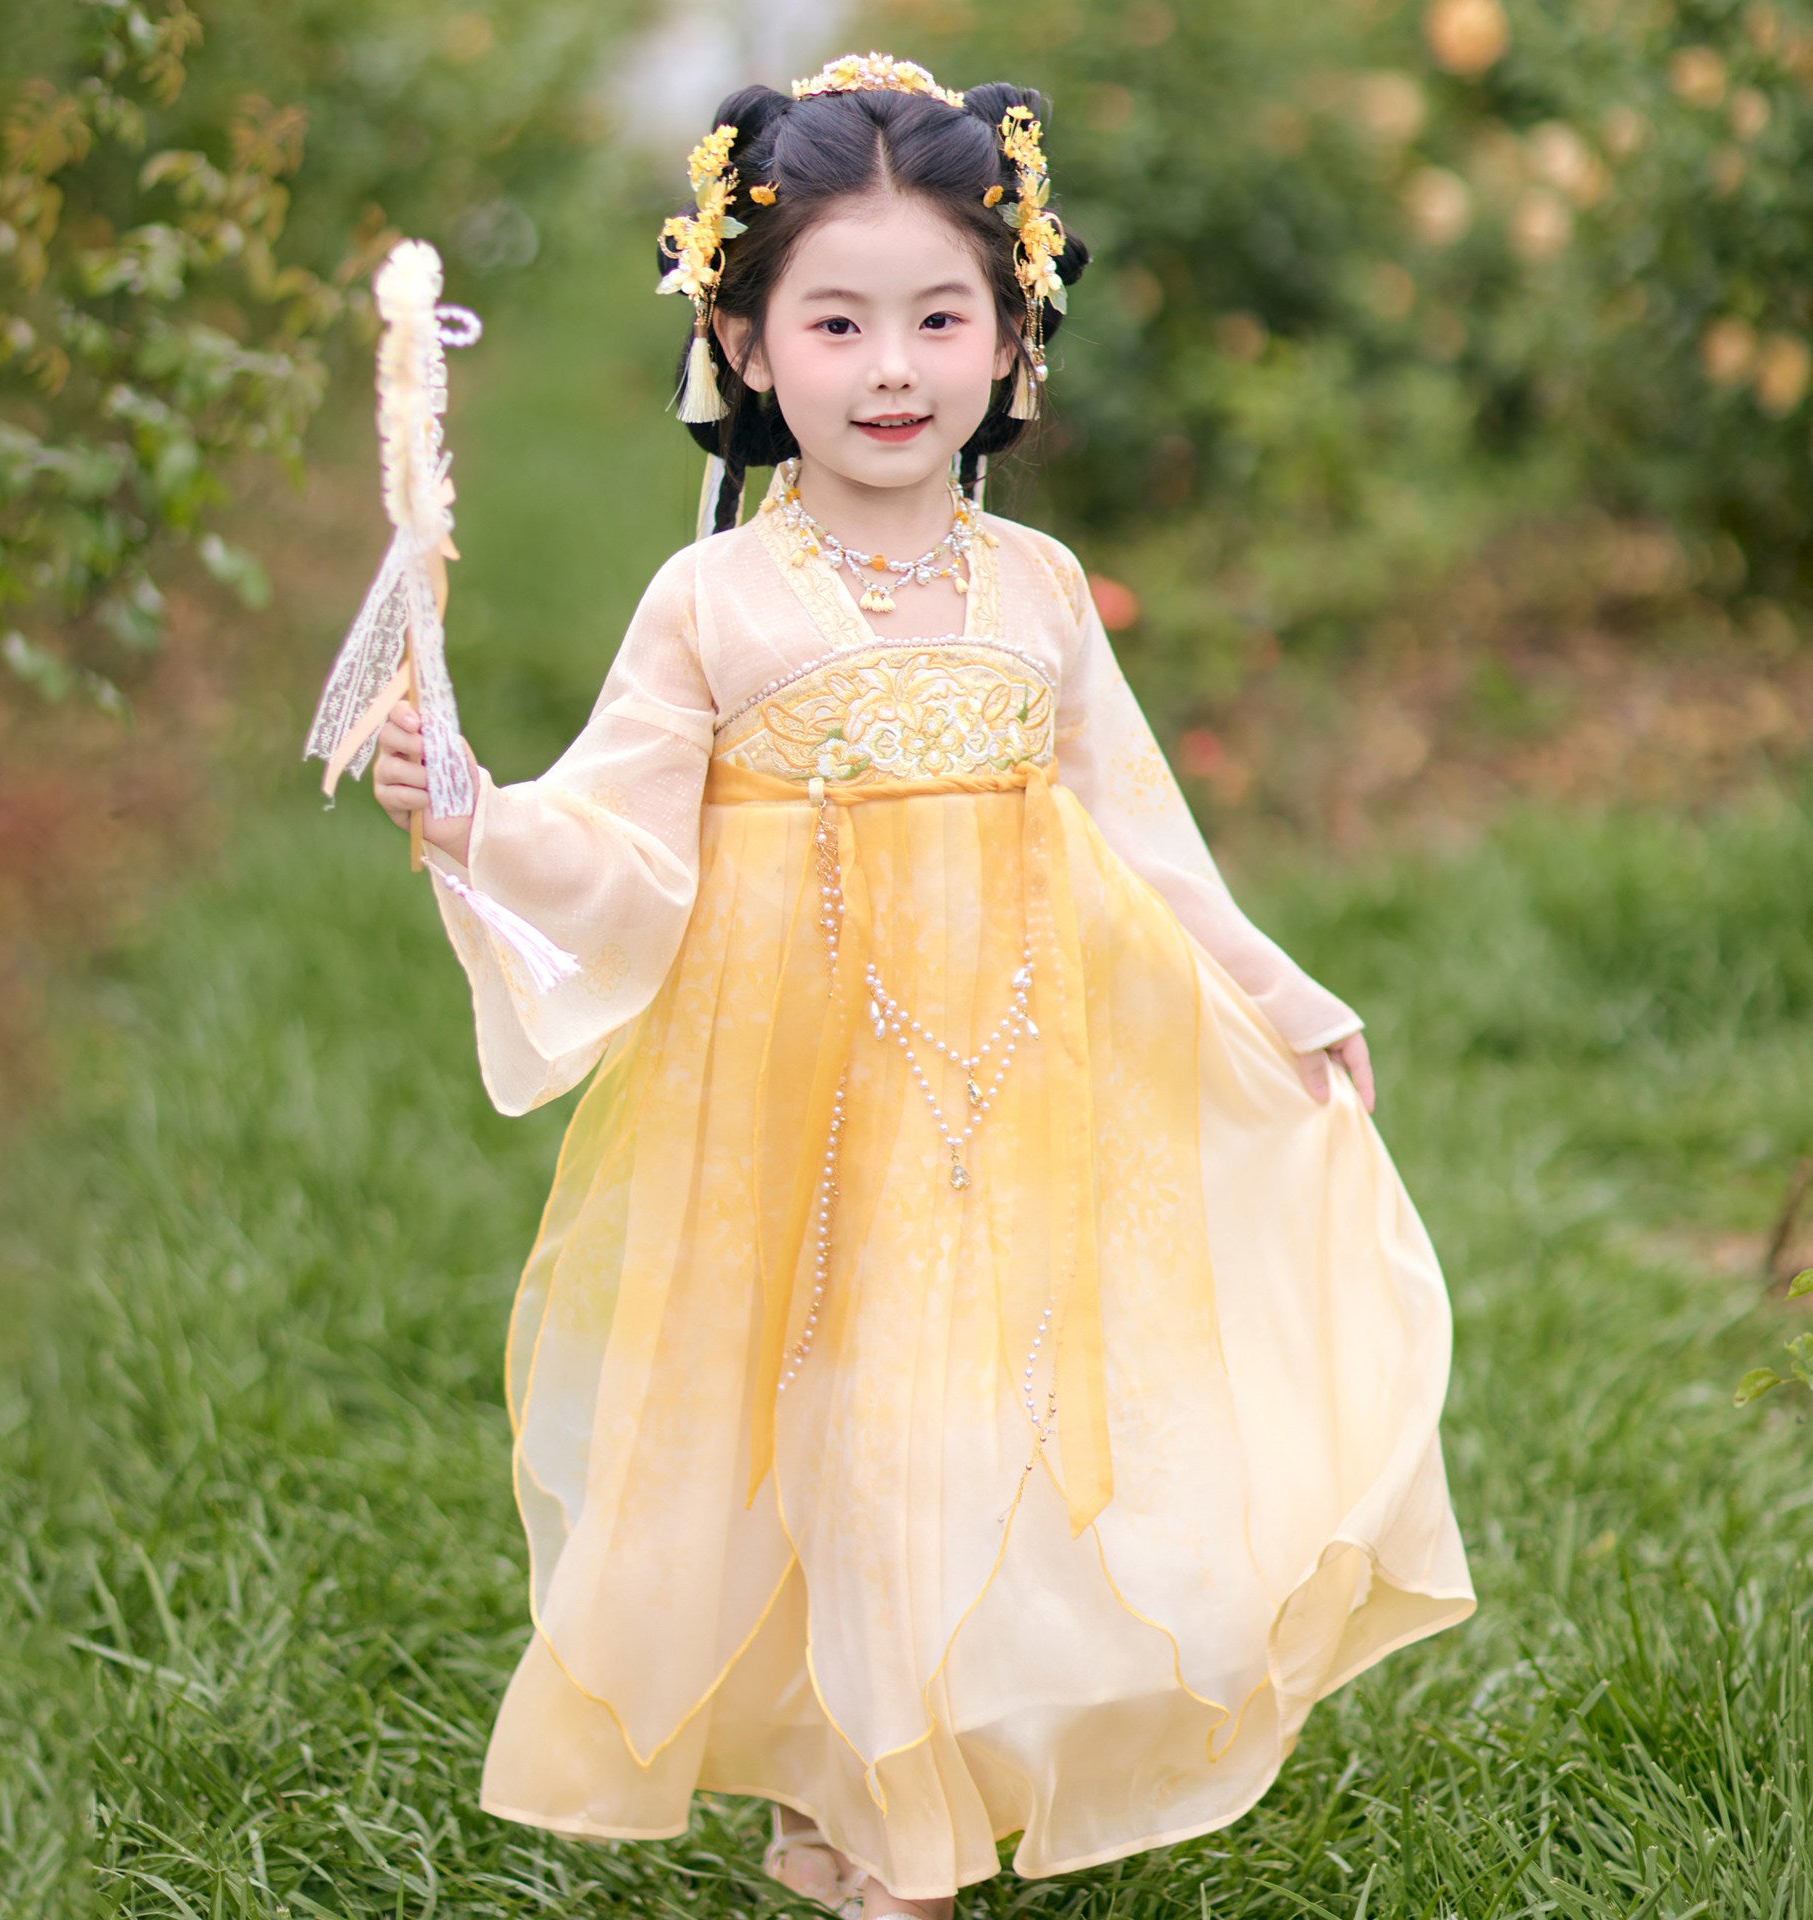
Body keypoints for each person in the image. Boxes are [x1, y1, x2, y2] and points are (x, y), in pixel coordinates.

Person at [371, 52, 1476, 1920]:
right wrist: (477, 816)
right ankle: (880, 1836)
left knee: (971, 1440)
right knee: (843, 1447)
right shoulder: (714, 609)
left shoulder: (1037, 591)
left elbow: (1140, 829)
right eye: (838, 320)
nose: (893, 368)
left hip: (1024, 1106)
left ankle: (890, 1808)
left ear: (1012, 339)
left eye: (940, 316)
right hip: (802, 1130)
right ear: (742, 342)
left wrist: (1279, 994)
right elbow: (627, 854)